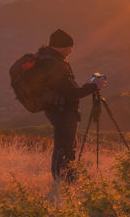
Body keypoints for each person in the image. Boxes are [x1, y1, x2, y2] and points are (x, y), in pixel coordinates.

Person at [38, 28, 103, 184]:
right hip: (62, 111)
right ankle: (66, 180)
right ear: (61, 46)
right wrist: (94, 86)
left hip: (55, 109)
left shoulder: (46, 58)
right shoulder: (55, 64)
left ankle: (62, 178)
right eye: (69, 47)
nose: (71, 50)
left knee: (64, 144)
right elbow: (72, 92)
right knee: (66, 146)